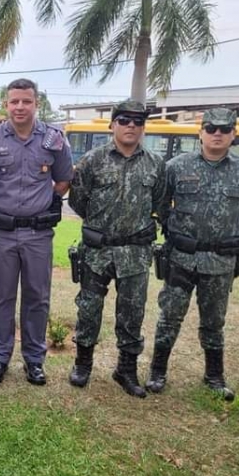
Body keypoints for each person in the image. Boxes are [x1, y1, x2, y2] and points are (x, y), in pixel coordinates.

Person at [146, 107, 239, 401]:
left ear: (233, 135)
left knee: (214, 321)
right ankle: (157, 372)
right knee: (170, 316)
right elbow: (161, 204)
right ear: (201, 132)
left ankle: (214, 376)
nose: (217, 134)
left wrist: (231, 235)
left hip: (221, 261)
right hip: (181, 258)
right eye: (211, 128)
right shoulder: (176, 166)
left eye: (225, 130)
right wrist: (174, 229)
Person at [0, 78, 73, 386]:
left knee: (37, 297)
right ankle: (0, 355)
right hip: (2, 233)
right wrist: (4, 208)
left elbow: (63, 180)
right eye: (14, 101)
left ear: (37, 103)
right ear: (5, 104)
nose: (20, 107)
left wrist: (44, 202)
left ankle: (34, 359)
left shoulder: (55, 140)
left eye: (26, 101)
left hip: (38, 235)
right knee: (0, 297)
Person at [68, 100, 165, 398]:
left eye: (138, 121)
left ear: (143, 127)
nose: (131, 126)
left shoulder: (155, 164)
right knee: (89, 308)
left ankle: (126, 369)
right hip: (98, 251)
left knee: (132, 312)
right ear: (112, 125)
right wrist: (101, 226)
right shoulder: (92, 160)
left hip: (135, 253)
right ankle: (83, 364)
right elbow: (77, 201)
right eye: (124, 120)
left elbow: (159, 203)